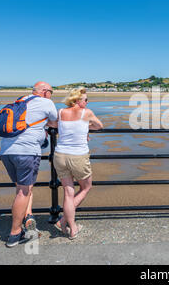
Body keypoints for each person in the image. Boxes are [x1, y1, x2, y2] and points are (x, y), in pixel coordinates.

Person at [0, 81, 57, 247]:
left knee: (22, 188)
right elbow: (55, 122)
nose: (51, 95)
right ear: (45, 92)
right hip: (26, 151)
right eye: (51, 92)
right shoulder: (46, 102)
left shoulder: (21, 100)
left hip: (6, 151)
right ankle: (15, 234)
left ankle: (28, 216)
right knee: (24, 192)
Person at [51, 87, 103, 239]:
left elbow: (53, 124)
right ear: (77, 100)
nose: (87, 102)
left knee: (68, 192)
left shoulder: (61, 112)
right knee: (86, 187)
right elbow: (99, 125)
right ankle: (63, 221)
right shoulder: (86, 113)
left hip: (60, 155)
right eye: (85, 99)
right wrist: (86, 128)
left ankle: (71, 226)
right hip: (78, 156)